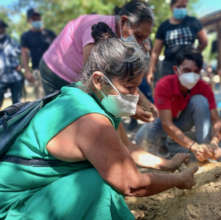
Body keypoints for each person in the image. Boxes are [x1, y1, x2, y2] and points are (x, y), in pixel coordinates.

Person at [0, 28, 198, 220]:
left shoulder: (84, 95)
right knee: (99, 182)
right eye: (129, 87)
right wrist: (179, 180)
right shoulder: (91, 121)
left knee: (105, 171)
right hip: (15, 207)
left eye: (137, 88)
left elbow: (126, 148)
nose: (135, 96)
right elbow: (132, 184)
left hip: (30, 196)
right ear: (98, 80)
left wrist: (168, 165)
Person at [40, 0, 157, 123]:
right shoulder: (98, 31)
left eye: (144, 39)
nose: (139, 44)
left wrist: (146, 105)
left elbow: (126, 82)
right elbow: (95, 86)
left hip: (82, 78)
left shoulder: (123, 38)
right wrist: (130, 108)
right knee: (67, 119)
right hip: (56, 71)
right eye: (138, 36)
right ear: (123, 21)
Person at [135, 48, 221, 162]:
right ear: (176, 70)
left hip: (183, 122)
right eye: (187, 70)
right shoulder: (164, 85)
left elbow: (217, 120)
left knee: (200, 101)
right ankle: (166, 146)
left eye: (195, 71)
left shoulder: (203, 87)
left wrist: (214, 143)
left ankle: (205, 150)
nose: (191, 75)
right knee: (142, 140)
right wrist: (193, 146)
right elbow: (166, 123)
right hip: (162, 123)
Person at [147, 0, 208, 84]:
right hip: (169, 67)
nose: (182, 9)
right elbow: (155, 52)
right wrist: (151, 71)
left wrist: (194, 54)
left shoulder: (193, 22)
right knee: (169, 91)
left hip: (189, 66)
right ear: (171, 7)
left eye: (184, 6)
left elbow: (204, 42)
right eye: (179, 6)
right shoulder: (164, 26)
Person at [21, 8, 56, 98]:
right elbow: (24, 54)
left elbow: (58, 50)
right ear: (29, 20)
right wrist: (27, 71)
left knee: (56, 96)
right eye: (34, 18)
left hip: (54, 70)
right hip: (38, 71)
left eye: (38, 17)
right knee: (41, 98)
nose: (37, 20)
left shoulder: (50, 33)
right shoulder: (26, 36)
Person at [0, 20, 23, 108]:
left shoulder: (13, 42)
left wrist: (21, 65)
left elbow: (23, 53)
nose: (1, 30)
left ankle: (18, 120)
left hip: (15, 77)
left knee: (17, 104)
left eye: (2, 28)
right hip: (1, 79)